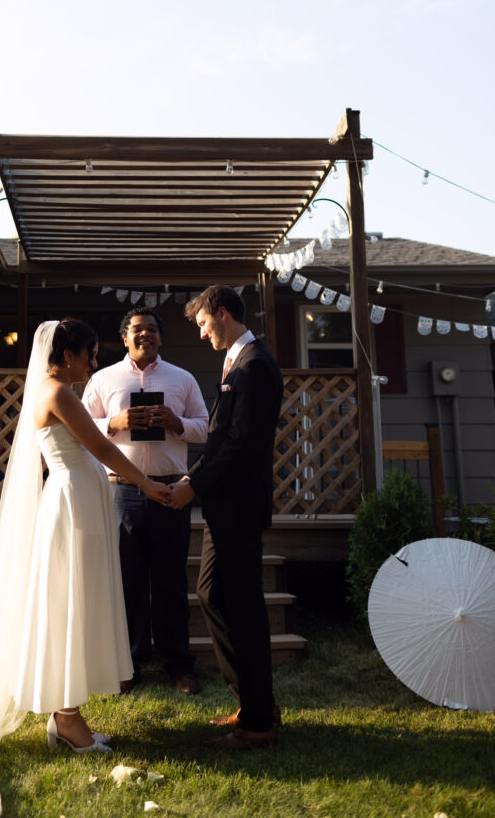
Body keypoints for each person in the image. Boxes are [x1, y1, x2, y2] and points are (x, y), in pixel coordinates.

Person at [0, 319, 170, 818]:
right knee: (71, 603)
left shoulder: (58, 388)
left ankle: (68, 715)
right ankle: (66, 720)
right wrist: (149, 486)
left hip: (80, 501)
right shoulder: (59, 393)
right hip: (72, 507)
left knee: (77, 603)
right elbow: (103, 448)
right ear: (66, 355)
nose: (91, 365)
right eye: (88, 356)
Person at [170, 286, 284, 749]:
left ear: (221, 313)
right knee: (213, 593)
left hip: (237, 505)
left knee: (240, 605)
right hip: (224, 503)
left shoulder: (254, 365)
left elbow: (241, 446)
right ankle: (254, 701)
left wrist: (192, 486)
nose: (201, 333)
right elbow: (221, 443)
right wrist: (189, 480)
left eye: (202, 323)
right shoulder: (239, 362)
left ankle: (258, 723)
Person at [82, 308, 208, 695]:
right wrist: (115, 423)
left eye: (152, 330)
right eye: (138, 330)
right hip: (121, 491)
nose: (145, 335)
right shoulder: (103, 379)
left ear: (160, 338)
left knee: (170, 581)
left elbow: (205, 428)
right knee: (128, 581)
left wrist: (176, 423)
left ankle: (179, 665)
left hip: (171, 491)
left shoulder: (182, 379)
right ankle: (129, 663)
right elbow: (81, 429)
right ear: (125, 338)